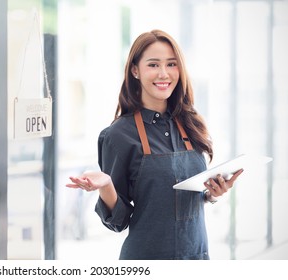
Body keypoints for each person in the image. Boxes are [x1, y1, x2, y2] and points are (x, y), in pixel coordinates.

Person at [66, 29, 243, 260]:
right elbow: (118, 223)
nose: (164, 74)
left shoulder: (190, 123)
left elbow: (185, 199)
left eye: (171, 64)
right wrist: (107, 185)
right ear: (135, 70)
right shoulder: (118, 135)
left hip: (197, 257)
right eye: (153, 65)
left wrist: (212, 194)